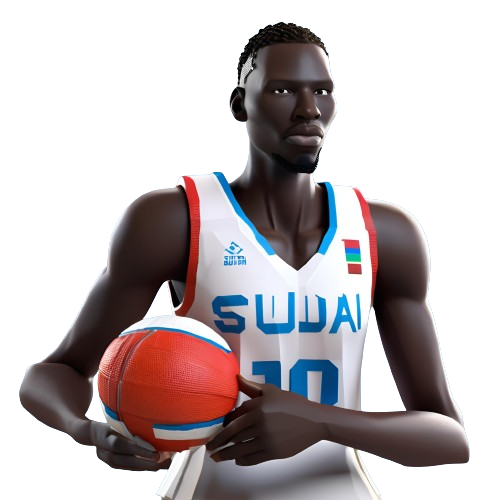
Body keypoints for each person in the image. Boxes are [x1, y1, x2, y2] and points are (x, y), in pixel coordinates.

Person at [20, 21, 469, 499]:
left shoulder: (387, 232)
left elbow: (449, 437)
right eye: (283, 90)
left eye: (323, 91)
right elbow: (54, 373)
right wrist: (87, 430)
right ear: (240, 104)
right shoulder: (174, 220)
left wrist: (321, 422)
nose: (309, 109)